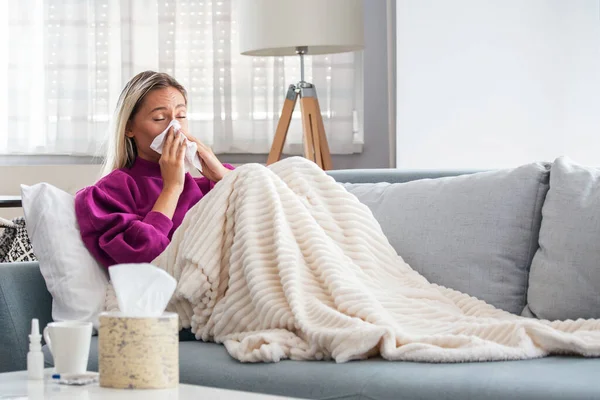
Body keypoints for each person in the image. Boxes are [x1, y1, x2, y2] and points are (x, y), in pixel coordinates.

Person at [75, 71, 235, 268]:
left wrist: (223, 175)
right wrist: (172, 188)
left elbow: (265, 210)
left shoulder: (212, 187)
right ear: (129, 128)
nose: (174, 128)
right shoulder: (109, 193)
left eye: (181, 116)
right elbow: (143, 259)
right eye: (159, 118)